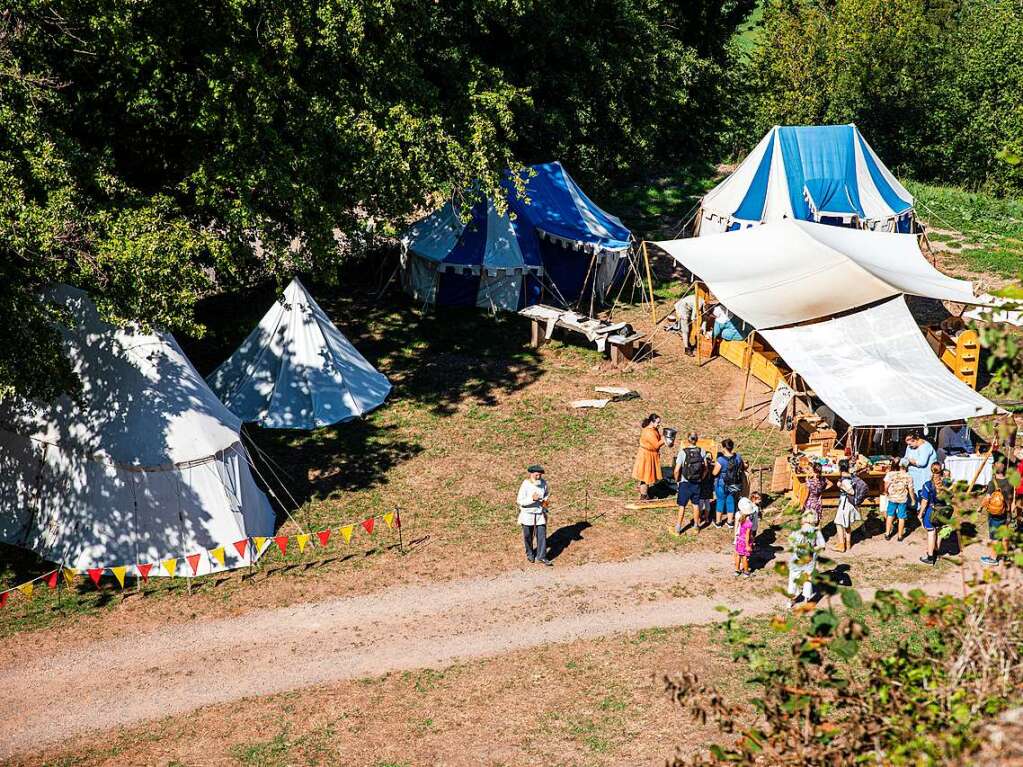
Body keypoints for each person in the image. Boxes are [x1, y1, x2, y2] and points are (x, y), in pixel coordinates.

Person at [787, 512, 826, 606]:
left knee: (793, 578)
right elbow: (822, 545)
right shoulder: (816, 530)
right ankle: (806, 599)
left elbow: (790, 542)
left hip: (797, 558)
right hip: (810, 558)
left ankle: (791, 600)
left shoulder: (797, 529)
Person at [517, 465, 552, 566]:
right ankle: (530, 553)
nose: (539, 477)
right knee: (528, 536)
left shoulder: (544, 483)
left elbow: (546, 497)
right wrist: (532, 499)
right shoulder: (525, 484)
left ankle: (541, 556)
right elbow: (520, 501)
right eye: (537, 475)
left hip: (540, 514)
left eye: (540, 475)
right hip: (527, 515)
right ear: (531, 474)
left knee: (541, 536)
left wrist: (544, 505)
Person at [980, 462, 1014, 566]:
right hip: (1007, 512)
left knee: (995, 537)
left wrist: (980, 507)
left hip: (996, 514)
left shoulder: (992, 483)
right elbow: (1012, 497)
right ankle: (1005, 555)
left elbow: (987, 498)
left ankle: (993, 558)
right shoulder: (1010, 482)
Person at [673, 432, 707, 533]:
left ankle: (678, 528)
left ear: (688, 439)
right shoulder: (702, 451)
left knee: (682, 506)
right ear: (697, 439)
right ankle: (696, 527)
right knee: (695, 505)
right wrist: (701, 478)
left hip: (685, 482)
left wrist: (677, 481)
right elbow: (705, 468)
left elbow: (676, 470)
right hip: (697, 482)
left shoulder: (683, 452)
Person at [712, 438, 745, 527]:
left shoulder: (721, 460)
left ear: (724, 448)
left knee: (720, 501)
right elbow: (742, 467)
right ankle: (730, 522)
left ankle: (718, 522)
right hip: (734, 483)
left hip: (722, 484)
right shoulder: (738, 457)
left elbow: (714, 473)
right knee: (731, 500)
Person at [632, 414, 664, 501]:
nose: (659, 424)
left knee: (646, 475)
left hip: (649, 455)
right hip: (646, 456)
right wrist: (664, 440)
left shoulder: (654, 429)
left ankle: (644, 492)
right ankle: (644, 496)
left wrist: (663, 437)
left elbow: (658, 438)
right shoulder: (648, 432)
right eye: (657, 422)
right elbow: (656, 445)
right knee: (645, 476)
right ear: (651, 422)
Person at [884, 458, 915, 542]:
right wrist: (913, 500)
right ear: (907, 466)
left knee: (890, 515)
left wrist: (886, 492)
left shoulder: (891, 474)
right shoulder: (909, 476)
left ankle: (887, 533)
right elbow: (911, 490)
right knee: (901, 517)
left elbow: (886, 485)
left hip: (892, 498)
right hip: (902, 499)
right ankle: (900, 535)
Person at [833, 459, 861, 552]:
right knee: (847, 523)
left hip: (846, 503)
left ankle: (841, 545)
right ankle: (848, 543)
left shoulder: (845, 480)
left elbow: (851, 491)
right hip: (849, 503)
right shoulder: (850, 476)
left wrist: (841, 486)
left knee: (839, 522)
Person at [918, 462, 943, 565]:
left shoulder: (927, 485)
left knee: (931, 533)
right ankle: (937, 552)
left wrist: (920, 514)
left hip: (931, 511)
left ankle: (930, 556)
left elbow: (924, 502)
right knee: (938, 531)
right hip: (942, 511)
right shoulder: (946, 484)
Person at [904, 432, 938, 504]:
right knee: (913, 491)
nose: (909, 446)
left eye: (910, 444)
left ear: (915, 440)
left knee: (923, 493)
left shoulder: (925, 447)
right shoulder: (910, 447)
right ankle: (914, 507)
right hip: (913, 474)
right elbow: (906, 457)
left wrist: (910, 460)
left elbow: (922, 463)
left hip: (924, 475)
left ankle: (922, 509)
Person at [733, 502, 754, 578]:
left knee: (738, 555)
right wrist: (748, 545)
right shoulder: (749, 523)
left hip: (739, 540)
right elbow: (747, 535)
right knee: (745, 557)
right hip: (745, 542)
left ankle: (737, 570)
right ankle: (746, 572)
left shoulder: (741, 519)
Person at [802, 461, 826, 526]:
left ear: (813, 470)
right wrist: (822, 490)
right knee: (815, 522)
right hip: (818, 502)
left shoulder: (810, 482)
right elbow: (830, 484)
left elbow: (807, 494)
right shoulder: (822, 480)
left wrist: (803, 504)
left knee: (807, 523)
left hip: (810, 503)